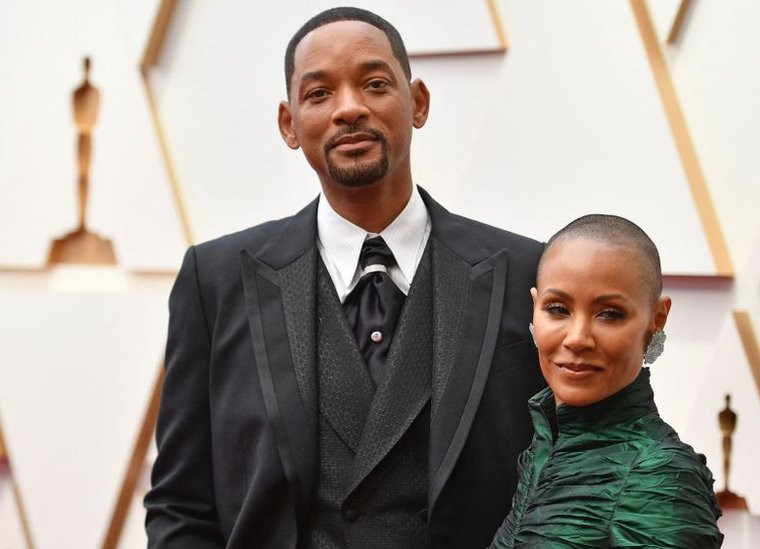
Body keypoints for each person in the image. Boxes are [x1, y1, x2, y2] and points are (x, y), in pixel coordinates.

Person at [144, 7, 544, 548]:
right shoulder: (214, 281)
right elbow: (181, 504)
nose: (349, 109)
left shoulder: (524, 273)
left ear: (418, 102)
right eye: (319, 94)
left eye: (375, 84)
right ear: (289, 124)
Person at [490, 215, 723, 548]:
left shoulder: (660, 474)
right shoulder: (541, 450)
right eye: (557, 309)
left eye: (610, 314)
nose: (577, 338)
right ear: (534, 308)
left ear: (656, 319)